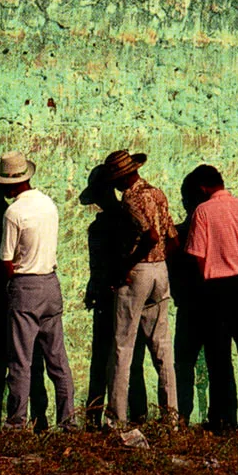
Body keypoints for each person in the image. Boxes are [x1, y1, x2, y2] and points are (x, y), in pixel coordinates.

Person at [0, 151, 76, 430]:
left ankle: (16, 423)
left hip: (25, 287)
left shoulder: (13, 212)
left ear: (11, 185)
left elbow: (6, 262)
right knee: (57, 360)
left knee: (20, 361)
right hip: (51, 284)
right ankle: (68, 420)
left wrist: (4, 286)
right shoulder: (48, 204)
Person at [185, 164, 238, 435]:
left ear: (202, 188)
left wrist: (205, 283)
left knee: (219, 357)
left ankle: (226, 420)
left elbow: (197, 256)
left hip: (214, 289)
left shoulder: (203, 212)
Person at [101, 150, 178, 427]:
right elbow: (171, 238)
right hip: (161, 270)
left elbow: (150, 236)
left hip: (139, 271)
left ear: (122, 177)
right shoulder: (157, 193)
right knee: (162, 347)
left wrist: (126, 266)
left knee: (123, 345)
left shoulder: (130, 200)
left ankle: (116, 418)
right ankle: (170, 416)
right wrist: (160, 262)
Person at [0, 172, 49, 433]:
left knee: (0, 367)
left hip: (6, 299)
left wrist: (3, 289)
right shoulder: (26, 218)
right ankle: (40, 420)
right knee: (33, 363)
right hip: (27, 296)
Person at [80, 165, 148, 429]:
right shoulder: (128, 218)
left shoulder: (106, 224)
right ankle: (137, 415)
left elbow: (102, 263)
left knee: (104, 358)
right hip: (124, 293)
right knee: (133, 357)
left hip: (112, 293)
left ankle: (94, 417)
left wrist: (101, 284)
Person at [167, 169, 237, 428]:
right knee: (220, 362)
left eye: (186, 200)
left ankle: (182, 416)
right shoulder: (223, 228)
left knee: (184, 363)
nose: (185, 206)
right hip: (216, 302)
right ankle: (226, 418)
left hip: (191, 304)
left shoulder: (181, 234)